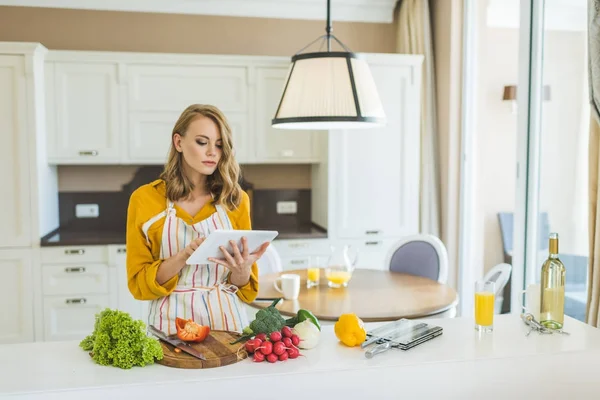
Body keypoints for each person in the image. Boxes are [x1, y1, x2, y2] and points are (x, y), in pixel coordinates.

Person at [125, 104, 269, 335]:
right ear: (178, 142)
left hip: (228, 325)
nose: (212, 152)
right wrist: (183, 257)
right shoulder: (145, 199)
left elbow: (243, 286)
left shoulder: (235, 200)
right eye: (202, 142)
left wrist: (242, 268)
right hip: (171, 328)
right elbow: (139, 283)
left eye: (219, 145)